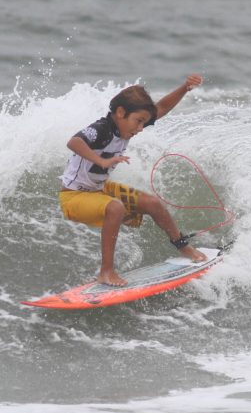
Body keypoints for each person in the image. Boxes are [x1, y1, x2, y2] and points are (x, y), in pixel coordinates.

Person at [59, 74, 208, 286]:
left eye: (143, 123)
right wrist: (100, 161)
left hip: (98, 190)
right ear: (120, 113)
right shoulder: (101, 129)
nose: (140, 129)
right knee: (116, 208)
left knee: (153, 204)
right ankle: (106, 272)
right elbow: (74, 142)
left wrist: (184, 87)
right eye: (139, 122)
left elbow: (162, 108)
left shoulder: (125, 127)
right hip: (73, 196)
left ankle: (184, 247)